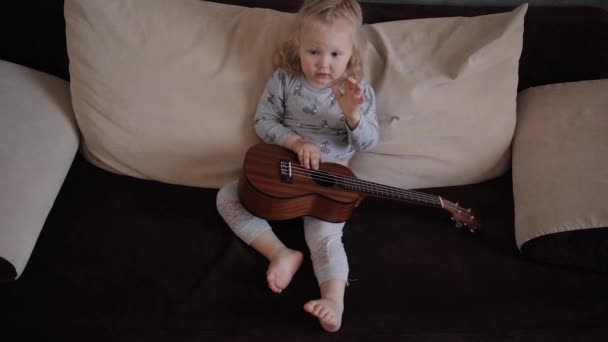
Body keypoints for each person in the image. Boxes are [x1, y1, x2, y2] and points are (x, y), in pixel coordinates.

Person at [216, 0, 379, 333]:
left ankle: (333, 299)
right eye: (314, 52)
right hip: (283, 178)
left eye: (335, 54)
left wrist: (353, 115)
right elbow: (263, 120)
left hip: (327, 189)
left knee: (325, 239)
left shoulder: (357, 93)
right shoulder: (285, 80)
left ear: (351, 54)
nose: (323, 63)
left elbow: (369, 142)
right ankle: (280, 253)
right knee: (228, 196)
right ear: (298, 47)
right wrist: (295, 142)